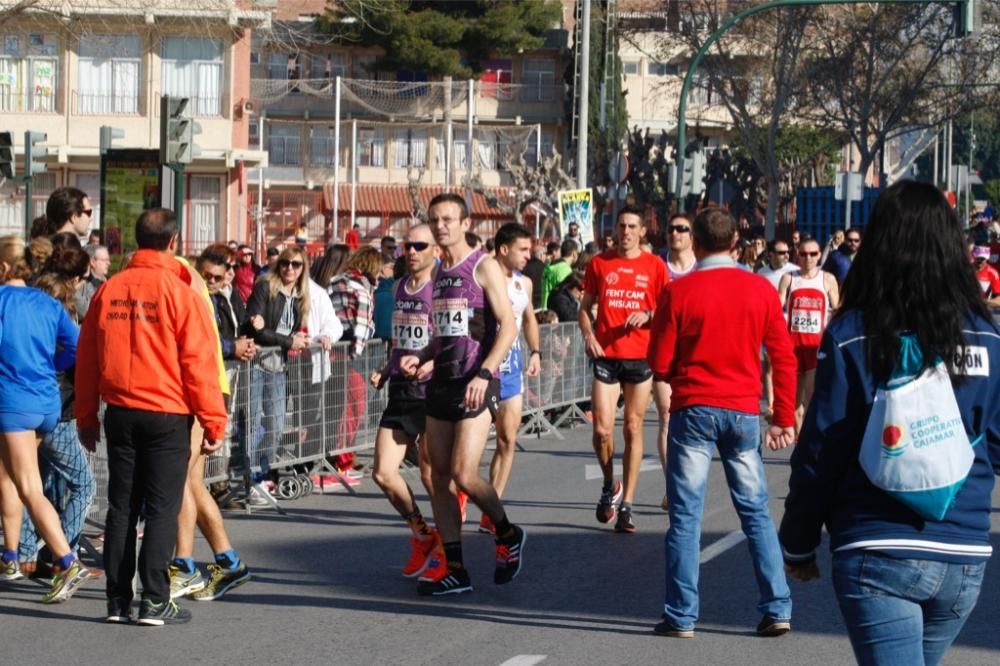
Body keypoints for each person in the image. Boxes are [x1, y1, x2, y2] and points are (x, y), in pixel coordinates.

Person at [779, 181, 1000, 666]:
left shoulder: (854, 333)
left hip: (876, 546)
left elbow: (823, 448)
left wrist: (797, 541)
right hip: (963, 551)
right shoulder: (987, 336)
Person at [647, 207, 796, 639]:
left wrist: (676, 372)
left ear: (695, 241)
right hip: (744, 409)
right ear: (735, 243)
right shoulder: (761, 290)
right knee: (755, 512)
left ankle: (681, 615)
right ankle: (777, 606)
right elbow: (782, 357)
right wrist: (783, 414)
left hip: (694, 406)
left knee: (686, 516)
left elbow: (658, 360)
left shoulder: (680, 291)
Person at [76, 209, 228, 625]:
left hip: (120, 412)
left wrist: (86, 415)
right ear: (174, 242)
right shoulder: (181, 294)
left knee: (121, 507)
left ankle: (117, 599)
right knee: (161, 508)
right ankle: (155, 599)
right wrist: (213, 421)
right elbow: (199, 364)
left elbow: (87, 358)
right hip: (166, 413)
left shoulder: (109, 289)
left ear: (134, 239)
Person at [399, 192, 525, 596]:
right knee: (438, 479)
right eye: (435, 220)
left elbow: (508, 327)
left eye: (448, 219)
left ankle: (507, 533)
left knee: (464, 474)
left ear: (465, 223)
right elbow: (444, 334)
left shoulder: (483, 266)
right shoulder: (438, 272)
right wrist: (421, 356)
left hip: (477, 381)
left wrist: (485, 372)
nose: (440, 226)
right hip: (442, 382)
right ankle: (455, 568)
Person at [0, 238, 93, 604]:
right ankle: (11, 555)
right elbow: (76, 347)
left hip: (14, 402)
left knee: (28, 486)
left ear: (4, 269)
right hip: (45, 402)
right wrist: (47, 366)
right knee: (7, 476)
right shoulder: (48, 303)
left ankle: (67, 562)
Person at [166, 250, 256, 603]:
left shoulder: (191, 289)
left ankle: (185, 564)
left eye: (217, 276)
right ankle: (227, 562)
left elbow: (201, 344)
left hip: (203, 389)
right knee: (191, 483)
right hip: (203, 388)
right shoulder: (195, 288)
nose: (211, 280)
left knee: (181, 480)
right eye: (207, 274)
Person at [578, 205, 667, 533]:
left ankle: (627, 505)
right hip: (606, 355)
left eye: (632, 226)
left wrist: (648, 315)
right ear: (614, 229)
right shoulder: (600, 263)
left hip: (639, 357)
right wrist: (588, 334)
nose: (626, 232)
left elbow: (666, 310)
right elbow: (584, 308)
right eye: (622, 226)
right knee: (602, 430)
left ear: (642, 231)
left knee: (632, 427)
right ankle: (608, 485)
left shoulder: (655, 266)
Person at [368, 224, 439, 578]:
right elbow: (399, 341)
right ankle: (422, 533)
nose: (411, 251)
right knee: (382, 473)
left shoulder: (438, 290)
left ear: (434, 249)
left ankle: (447, 548)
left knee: (431, 476)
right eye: (407, 245)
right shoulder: (397, 288)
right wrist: (384, 369)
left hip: (430, 394)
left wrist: (428, 363)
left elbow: (452, 342)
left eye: (419, 245)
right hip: (400, 391)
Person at [480, 223, 541, 535]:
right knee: (472, 444)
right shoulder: (482, 276)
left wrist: (536, 352)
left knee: (507, 439)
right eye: (523, 250)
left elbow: (529, 319)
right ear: (504, 249)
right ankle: (466, 493)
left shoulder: (524, 283)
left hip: (512, 367)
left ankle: (493, 506)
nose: (528, 256)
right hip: (483, 366)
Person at [245, 247, 312, 490]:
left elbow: (283, 330)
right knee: (252, 424)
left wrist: (297, 338)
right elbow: (257, 329)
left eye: (296, 264)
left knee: (276, 426)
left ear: (303, 268)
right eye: (285, 263)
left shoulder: (300, 296)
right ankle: (250, 480)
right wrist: (289, 341)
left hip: (278, 366)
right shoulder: (266, 286)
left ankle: (260, 474)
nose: (289, 268)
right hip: (255, 363)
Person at [653, 213, 697, 509]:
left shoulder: (701, 268)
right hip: (665, 354)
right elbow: (647, 300)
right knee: (667, 416)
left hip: (695, 354)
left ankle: (690, 484)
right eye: (671, 228)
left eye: (682, 229)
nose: (676, 233)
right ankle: (673, 488)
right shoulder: (658, 266)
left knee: (693, 422)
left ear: (692, 235)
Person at [778, 237, 840, 437]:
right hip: (793, 348)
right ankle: (799, 442)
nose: (808, 258)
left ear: (820, 255)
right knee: (795, 403)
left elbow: (838, 312)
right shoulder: (789, 278)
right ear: (797, 254)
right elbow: (777, 310)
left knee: (812, 399)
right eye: (804, 254)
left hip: (816, 348)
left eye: (813, 254)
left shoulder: (827, 279)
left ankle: (810, 440)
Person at [76, 243, 111, 320]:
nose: (109, 263)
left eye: (108, 260)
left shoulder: (110, 282)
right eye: (105, 260)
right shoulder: (81, 284)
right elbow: (84, 311)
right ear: (92, 262)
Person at [541, 240, 578, 308]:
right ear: (574, 253)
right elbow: (565, 293)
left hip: (545, 307)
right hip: (556, 310)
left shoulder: (551, 266)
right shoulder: (565, 270)